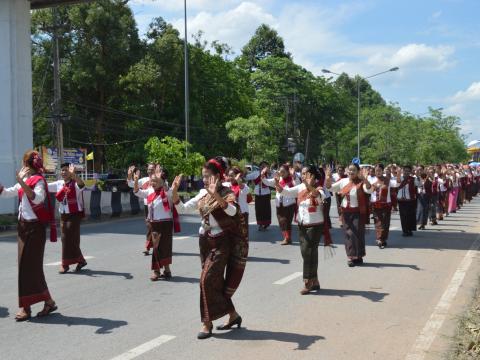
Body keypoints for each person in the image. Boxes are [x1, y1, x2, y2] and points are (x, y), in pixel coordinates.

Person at [172, 157, 248, 340]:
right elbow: (183, 208)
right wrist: (173, 192)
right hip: (205, 241)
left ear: (217, 177)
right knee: (214, 282)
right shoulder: (201, 193)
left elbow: (232, 211)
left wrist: (216, 195)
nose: (204, 179)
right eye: (203, 176)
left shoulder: (227, 192)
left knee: (205, 280)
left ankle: (207, 322)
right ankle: (233, 314)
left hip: (221, 243)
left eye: (207, 176)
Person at [0, 150, 58, 321]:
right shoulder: (26, 180)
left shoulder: (38, 181)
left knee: (28, 268)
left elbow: (36, 198)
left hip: (34, 229)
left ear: (28, 165)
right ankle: (48, 301)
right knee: (27, 268)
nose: (22, 167)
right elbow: (6, 193)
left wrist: (20, 181)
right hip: (23, 228)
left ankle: (27, 307)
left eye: (24, 163)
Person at [275, 164, 332, 294]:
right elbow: (286, 192)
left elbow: (318, 195)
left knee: (308, 251)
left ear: (312, 175)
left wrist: (309, 186)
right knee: (308, 252)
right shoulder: (300, 187)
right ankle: (315, 279)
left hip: (315, 224)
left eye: (306, 173)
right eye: (302, 173)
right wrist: (277, 184)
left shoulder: (319, 187)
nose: (303, 175)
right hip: (302, 223)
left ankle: (307, 282)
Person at [134, 166, 179, 281]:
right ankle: (157, 271)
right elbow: (137, 192)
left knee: (165, 247)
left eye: (155, 181)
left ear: (162, 182)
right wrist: (135, 180)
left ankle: (167, 270)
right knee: (156, 247)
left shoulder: (167, 192)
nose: (152, 183)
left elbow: (169, 191)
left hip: (166, 223)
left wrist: (161, 180)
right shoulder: (149, 191)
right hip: (154, 224)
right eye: (151, 181)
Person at [327, 163, 373, 267]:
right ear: (347, 171)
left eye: (354, 170)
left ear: (358, 172)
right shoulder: (343, 181)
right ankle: (351, 257)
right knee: (349, 234)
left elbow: (369, 189)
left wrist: (365, 180)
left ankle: (359, 255)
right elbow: (330, 188)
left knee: (358, 234)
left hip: (358, 212)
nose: (351, 172)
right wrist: (328, 178)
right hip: (346, 212)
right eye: (350, 170)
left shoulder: (361, 182)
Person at [48, 163, 87, 274]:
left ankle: (65, 264)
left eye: (66, 170)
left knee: (67, 238)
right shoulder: (59, 183)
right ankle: (81, 260)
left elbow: (82, 184)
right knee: (69, 239)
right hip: (63, 215)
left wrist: (74, 174)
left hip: (74, 214)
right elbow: (45, 185)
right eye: (62, 170)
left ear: (70, 172)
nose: (64, 172)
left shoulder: (75, 183)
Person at [262, 164, 299, 245]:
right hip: (279, 204)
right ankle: (287, 237)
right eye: (280, 171)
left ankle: (287, 238)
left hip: (289, 204)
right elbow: (267, 182)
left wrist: (294, 176)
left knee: (286, 221)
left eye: (283, 172)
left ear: (287, 172)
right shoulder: (278, 179)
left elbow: (298, 185)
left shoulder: (292, 179)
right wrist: (263, 175)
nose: (281, 173)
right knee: (281, 222)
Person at [128, 163, 156, 255]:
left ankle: (158, 246)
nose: (150, 171)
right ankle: (148, 247)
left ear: (156, 170)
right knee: (149, 226)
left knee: (157, 227)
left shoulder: (160, 180)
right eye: (149, 169)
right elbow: (131, 184)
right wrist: (130, 175)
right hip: (147, 206)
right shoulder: (144, 180)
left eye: (152, 169)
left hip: (157, 206)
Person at [369, 164, 395, 249]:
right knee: (378, 222)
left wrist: (397, 175)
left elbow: (397, 184)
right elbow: (368, 190)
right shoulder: (371, 179)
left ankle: (383, 239)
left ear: (382, 171)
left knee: (385, 222)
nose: (378, 172)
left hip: (386, 204)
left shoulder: (387, 180)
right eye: (376, 170)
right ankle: (379, 239)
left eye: (380, 170)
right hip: (375, 204)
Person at [223, 166, 251, 236]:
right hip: (230, 214)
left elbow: (245, 190)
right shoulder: (227, 185)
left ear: (238, 176)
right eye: (229, 176)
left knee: (242, 236)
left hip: (242, 214)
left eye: (232, 176)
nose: (230, 178)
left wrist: (238, 181)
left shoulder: (244, 186)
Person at [245, 161, 272, 231]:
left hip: (266, 194)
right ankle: (260, 224)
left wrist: (268, 172)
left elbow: (274, 179)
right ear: (259, 167)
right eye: (262, 166)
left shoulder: (269, 174)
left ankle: (266, 223)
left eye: (265, 166)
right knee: (259, 210)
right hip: (258, 194)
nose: (263, 167)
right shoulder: (256, 173)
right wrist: (244, 173)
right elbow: (247, 177)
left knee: (266, 210)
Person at [395, 165, 419, 237]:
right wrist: (398, 174)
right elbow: (397, 184)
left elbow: (419, 184)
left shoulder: (413, 179)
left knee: (410, 215)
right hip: (401, 200)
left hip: (410, 200)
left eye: (408, 171)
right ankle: (405, 230)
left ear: (410, 172)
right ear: (403, 171)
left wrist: (418, 176)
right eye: (405, 170)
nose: (406, 172)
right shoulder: (399, 178)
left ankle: (409, 230)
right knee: (403, 216)